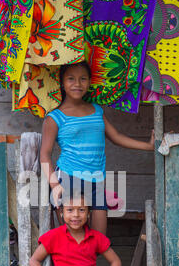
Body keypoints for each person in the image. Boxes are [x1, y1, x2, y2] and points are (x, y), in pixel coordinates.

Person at [40, 61, 155, 235]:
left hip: (96, 180)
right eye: (71, 79)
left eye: (83, 79)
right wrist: (55, 185)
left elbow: (116, 137)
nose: (77, 84)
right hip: (69, 180)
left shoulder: (96, 110)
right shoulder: (55, 117)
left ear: (89, 82)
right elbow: (44, 155)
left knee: (98, 240)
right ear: (62, 82)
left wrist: (148, 146)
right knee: (73, 240)